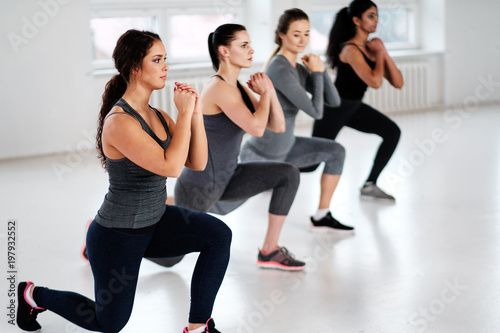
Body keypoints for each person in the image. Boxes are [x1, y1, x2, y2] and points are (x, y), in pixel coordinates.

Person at [17, 29, 231, 333]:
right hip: (118, 235)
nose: (165, 66)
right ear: (134, 67)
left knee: (218, 235)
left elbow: (196, 162)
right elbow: (172, 168)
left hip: (155, 221)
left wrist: (194, 113)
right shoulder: (120, 123)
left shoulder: (159, 116)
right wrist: (183, 115)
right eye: (157, 60)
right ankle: (33, 294)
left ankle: (198, 326)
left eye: (165, 59)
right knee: (110, 323)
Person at [173, 23, 305, 271]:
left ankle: (270, 250)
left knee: (288, 174)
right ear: (224, 51)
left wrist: (270, 92)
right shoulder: (218, 88)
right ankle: (103, 236)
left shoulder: (238, 87)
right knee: (172, 258)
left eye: (249, 44)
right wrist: (265, 95)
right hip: (199, 187)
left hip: (228, 178)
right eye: (243, 45)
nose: (251, 50)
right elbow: (256, 128)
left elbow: (276, 126)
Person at [240, 8, 354, 233]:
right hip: (262, 155)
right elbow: (316, 112)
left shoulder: (299, 69)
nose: (303, 40)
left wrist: (319, 69)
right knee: (218, 205)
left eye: (306, 34)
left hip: (286, 148)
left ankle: (322, 216)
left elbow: (334, 100)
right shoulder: (280, 69)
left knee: (336, 152)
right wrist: (318, 74)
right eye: (296, 34)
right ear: (282, 35)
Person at [312, 0, 403, 202]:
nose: (376, 20)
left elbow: (398, 82)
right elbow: (375, 81)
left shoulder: (372, 49)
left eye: (377, 16)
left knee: (392, 132)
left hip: (353, 108)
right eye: (371, 16)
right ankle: (269, 169)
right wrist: (379, 53)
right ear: (356, 20)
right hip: (334, 109)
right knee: (312, 163)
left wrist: (383, 52)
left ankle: (370, 185)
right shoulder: (350, 50)